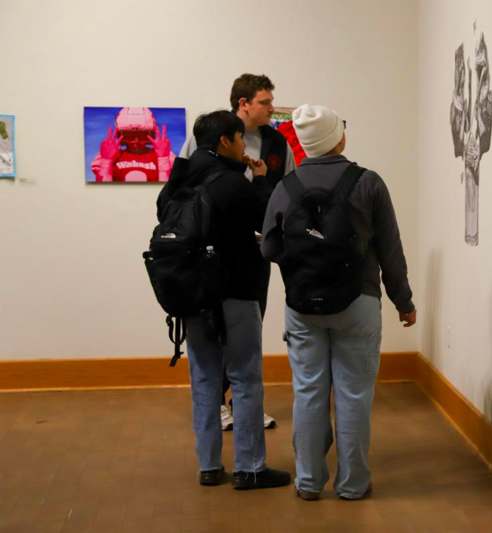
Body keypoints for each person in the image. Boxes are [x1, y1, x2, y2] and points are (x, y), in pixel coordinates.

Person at [261, 104, 416, 501]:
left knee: (308, 392)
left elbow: (269, 247)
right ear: (338, 138)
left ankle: (309, 482)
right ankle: (352, 484)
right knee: (353, 394)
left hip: (301, 305)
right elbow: (390, 250)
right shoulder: (368, 183)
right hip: (358, 301)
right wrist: (403, 301)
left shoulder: (286, 186)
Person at [165, 110, 290, 489]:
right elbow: (267, 219)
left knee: (203, 377)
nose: (243, 146)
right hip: (236, 291)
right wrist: (264, 181)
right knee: (245, 377)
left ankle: (208, 465)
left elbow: (162, 211)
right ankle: (250, 468)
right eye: (239, 140)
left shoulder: (181, 179)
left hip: (193, 294)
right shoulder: (233, 183)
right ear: (225, 142)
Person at [181, 73, 294, 430]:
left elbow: (289, 191)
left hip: (256, 252)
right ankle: (215, 403)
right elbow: (181, 190)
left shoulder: (277, 144)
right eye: (264, 102)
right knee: (212, 329)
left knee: (248, 328)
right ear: (243, 104)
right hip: (210, 256)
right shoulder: (207, 140)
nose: (271, 108)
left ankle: (244, 402)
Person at [92, 107, 176, 182]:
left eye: (142, 135)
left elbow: (167, 190)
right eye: (129, 135)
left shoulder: (167, 157)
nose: (136, 141)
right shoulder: (109, 156)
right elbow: (103, 187)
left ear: (152, 135)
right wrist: (106, 161)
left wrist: (163, 159)